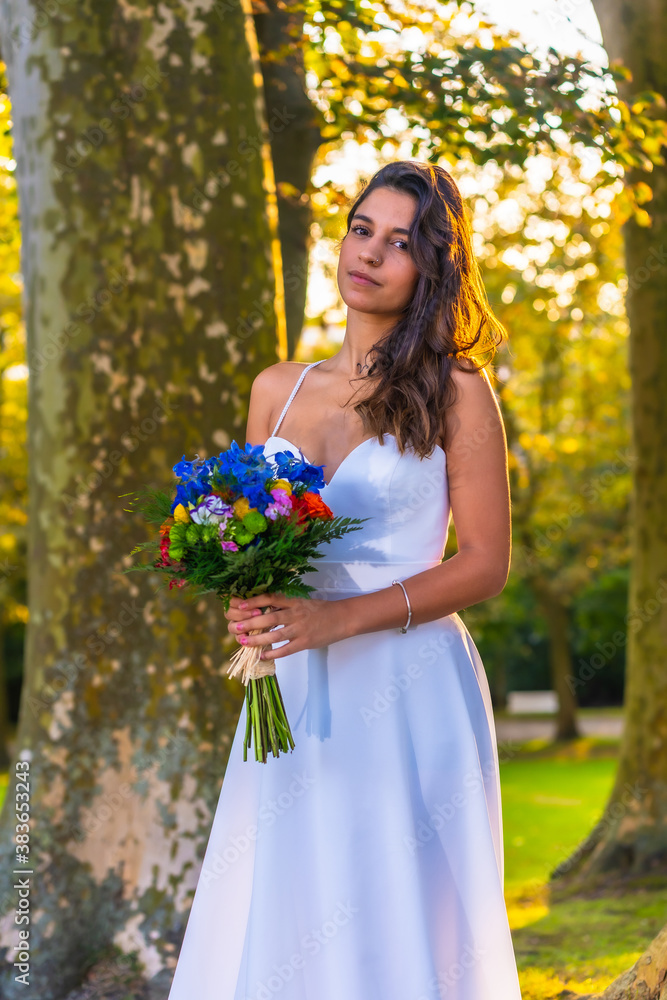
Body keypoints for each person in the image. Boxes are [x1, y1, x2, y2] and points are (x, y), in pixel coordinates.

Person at [167, 160, 522, 999]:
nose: (368, 252)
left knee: (392, 901)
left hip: (406, 683)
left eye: (398, 242)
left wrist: (339, 620)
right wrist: (245, 602)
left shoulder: (456, 389)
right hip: (292, 685)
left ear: (431, 268)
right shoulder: (276, 389)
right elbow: (249, 531)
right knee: (293, 895)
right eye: (360, 228)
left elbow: (484, 563)